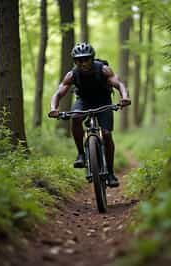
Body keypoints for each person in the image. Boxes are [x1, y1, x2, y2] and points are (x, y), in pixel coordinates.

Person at [48, 43, 131, 187]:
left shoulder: (103, 69)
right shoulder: (72, 74)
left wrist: (124, 97)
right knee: (75, 117)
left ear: (92, 59)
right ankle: (81, 154)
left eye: (86, 59)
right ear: (75, 61)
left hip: (103, 100)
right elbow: (59, 92)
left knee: (106, 134)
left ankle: (110, 173)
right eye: (79, 60)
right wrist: (53, 108)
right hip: (84, 101)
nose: (83, 63)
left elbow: (119, 84)